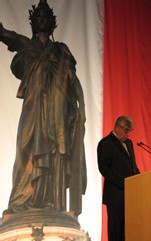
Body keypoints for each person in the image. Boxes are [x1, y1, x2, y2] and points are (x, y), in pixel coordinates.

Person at [0, 0, 86, 217]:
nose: (42, 20)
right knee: (26, 148)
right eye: (38, 16)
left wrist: (82, 106)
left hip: (56, 112)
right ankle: (22, 199)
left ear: (52, 23)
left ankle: (51, 202)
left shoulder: (60, 50)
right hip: (33, 109)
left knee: (54, 151)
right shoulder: (27, 45)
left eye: (46, 17)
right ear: (33, 22)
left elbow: (72, 80)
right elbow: (6, 35)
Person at [97, 116, 140, 241]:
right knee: (116, 232)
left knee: (128, 232)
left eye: (130, 131)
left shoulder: (129, 143)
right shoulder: (105, 143)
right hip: (115, 196)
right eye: (126, 130)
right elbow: (104, 169)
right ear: (117, 127)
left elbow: (133, 166)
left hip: (130, 195)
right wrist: (124, 183)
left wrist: (139, 180)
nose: (128, 134)